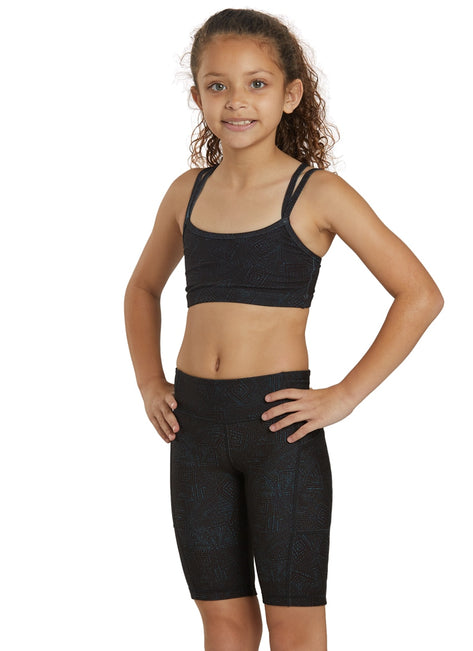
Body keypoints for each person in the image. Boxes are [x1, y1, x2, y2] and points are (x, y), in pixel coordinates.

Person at [124, 8, 443, 651]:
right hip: (194, 429)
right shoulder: (186, 193)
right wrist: (149, 381)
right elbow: (142, 289)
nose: (236, 100)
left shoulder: (317, 193)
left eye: (257, 84)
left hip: (279, 431)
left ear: (290, 95)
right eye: (217, 85)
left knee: (294, 629)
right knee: (224, 623)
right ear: (196, 97)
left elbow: (420, 295)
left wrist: (344, 396)